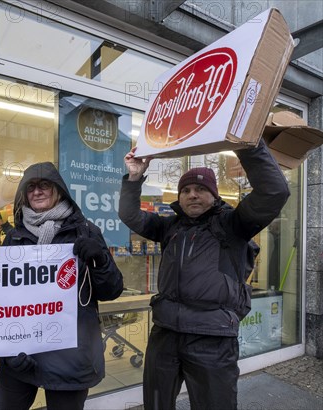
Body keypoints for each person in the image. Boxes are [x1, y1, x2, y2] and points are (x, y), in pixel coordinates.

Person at [118, 139, 290, 410]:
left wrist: (248, 146)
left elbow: (274, 192)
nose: (192, 195)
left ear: (214, 194)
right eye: (185, 190)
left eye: (200, 189)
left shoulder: (233, 225)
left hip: (212, 337)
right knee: (156, 404)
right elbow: (128, 214)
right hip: (165, 335)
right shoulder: (169, 227)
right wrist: (134, 178)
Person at [0, 162, 124, 410]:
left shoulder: (86, 232)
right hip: (22, 352)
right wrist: (8, 349)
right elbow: (2, 297)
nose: (37, 191)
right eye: (30, 187)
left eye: (45, 185)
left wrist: (100, 260)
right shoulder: (15, 236)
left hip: (70, 355)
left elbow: (112, 291)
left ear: (59, 190)